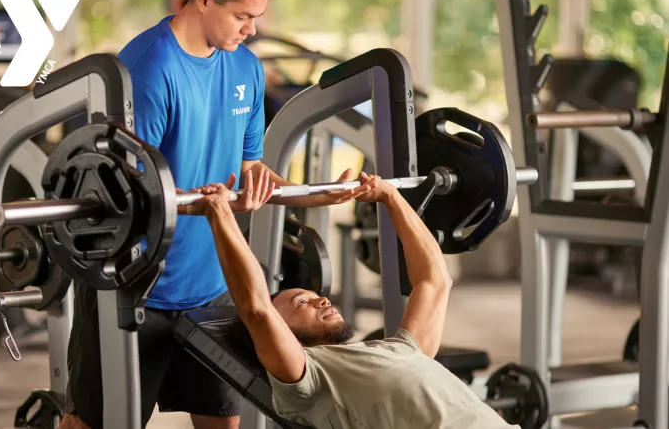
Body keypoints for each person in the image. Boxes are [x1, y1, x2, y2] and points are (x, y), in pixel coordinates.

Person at [59, 0, 370, 429]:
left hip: (212, 287)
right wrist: (213, 207)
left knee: (222, 422)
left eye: (256, 18)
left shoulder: (245, 68)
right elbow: (125, 198)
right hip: (137, 285)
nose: (252, 31)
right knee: (95, 424)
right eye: (242, 17)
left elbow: (249, 172)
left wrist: (321, 193)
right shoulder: (148, 69)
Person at [189, 172, 520, 429]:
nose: (320, 300)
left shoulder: (401, 347)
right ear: (280, 334)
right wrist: (220, 213)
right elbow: (257, 309)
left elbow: (435, 281)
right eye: (299, 303)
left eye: (314, 296)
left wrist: (390, 197)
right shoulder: (308, 381)